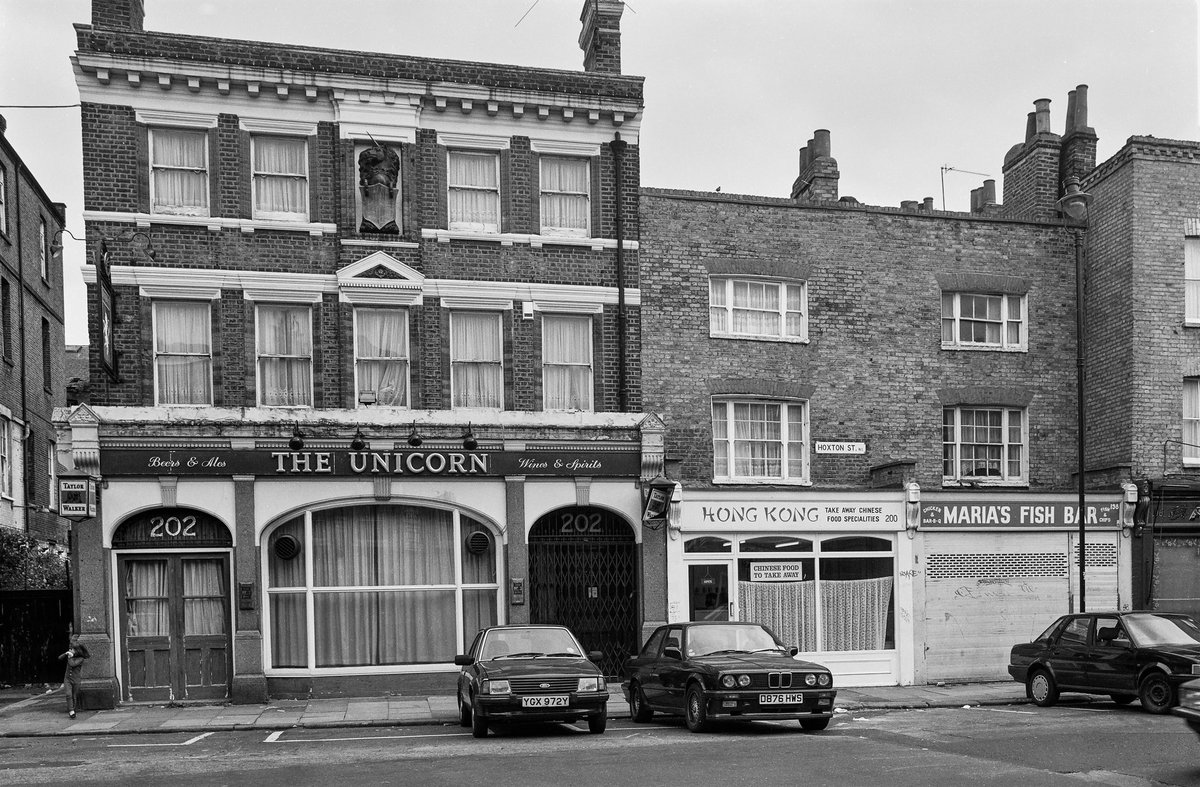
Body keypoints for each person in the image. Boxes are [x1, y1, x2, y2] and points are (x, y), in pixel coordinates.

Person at [59, 635, 89, 718]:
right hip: (67, 679)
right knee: (68, 694)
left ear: (77, 651)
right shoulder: (70, 655)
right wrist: (65, 654)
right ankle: (71, 711)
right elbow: (60, 658)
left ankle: (73, 708)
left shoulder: (80, 659)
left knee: (74, 696)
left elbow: (72, 664)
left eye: (72, 649)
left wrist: (69, 657)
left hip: (76, 680)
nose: (70, 650)